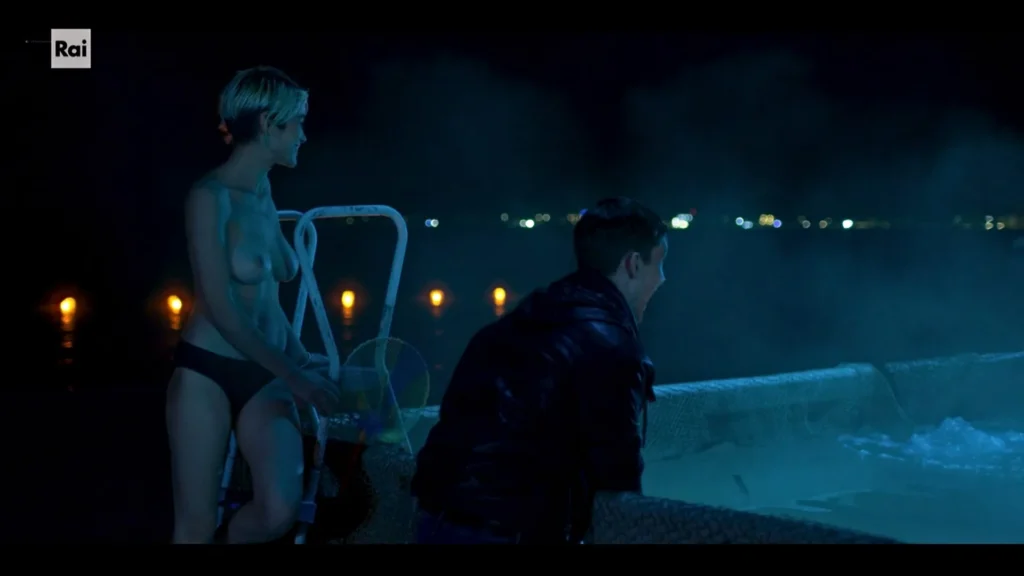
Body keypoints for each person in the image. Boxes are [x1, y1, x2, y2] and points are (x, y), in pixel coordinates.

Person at [411, 197, 668, 544]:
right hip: (510, 530)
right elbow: (618, 476)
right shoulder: (611, 347)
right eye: (659, 264)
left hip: (436, 517)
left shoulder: (522, 320)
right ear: (633, 264)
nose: (662, 279)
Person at [165, 66, 341, 544]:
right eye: (297, 122)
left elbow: (266, 297)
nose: (303, 135)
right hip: (207, 371)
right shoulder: (209, 198)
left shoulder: (263, 190)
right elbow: (223, 309)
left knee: (280, 509)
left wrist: (300, 358)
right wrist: (295, 375)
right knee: (195, 525)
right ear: (267, 124)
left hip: (266, 371)